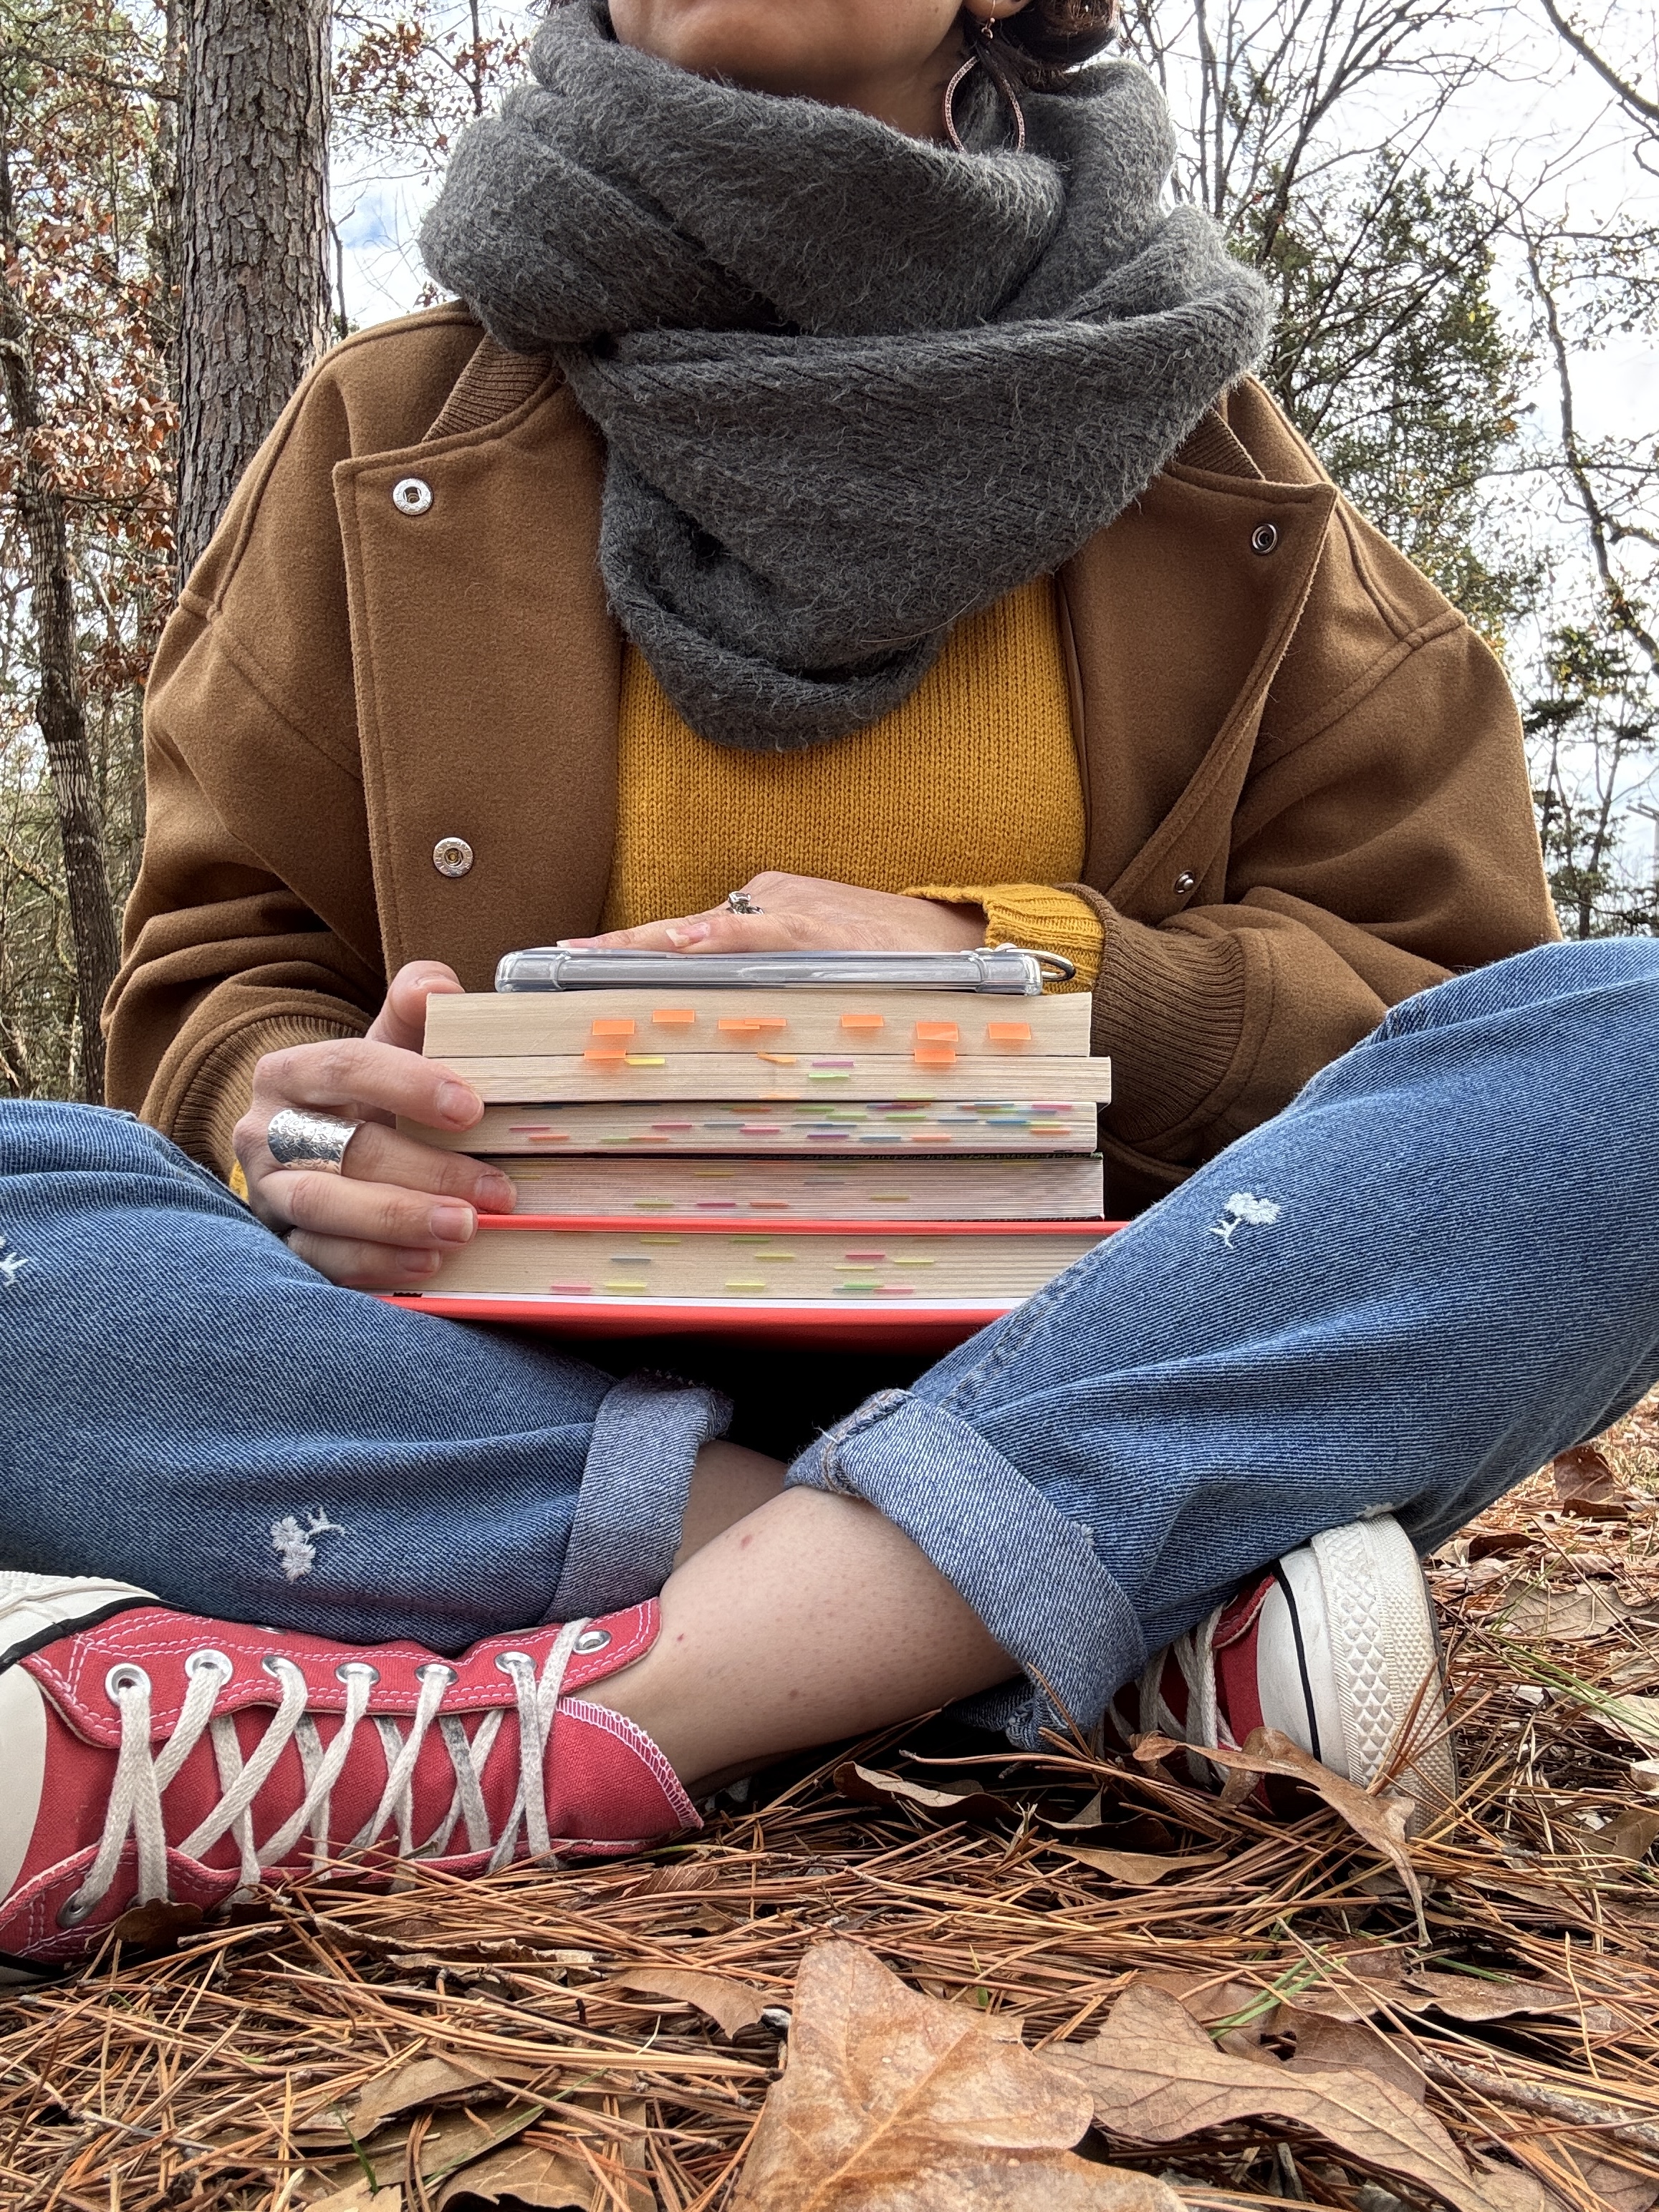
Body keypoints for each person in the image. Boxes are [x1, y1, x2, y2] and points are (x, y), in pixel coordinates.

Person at [1, 0, 1627, 1973]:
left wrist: (1032, 978)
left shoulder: (1232, 483)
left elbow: (1441, 1000)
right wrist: (296, 1107)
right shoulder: (379, 432)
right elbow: (218, 962)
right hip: (468, 1371)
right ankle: (1081, 1642)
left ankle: (528, 1716)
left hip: (1096, 1342)